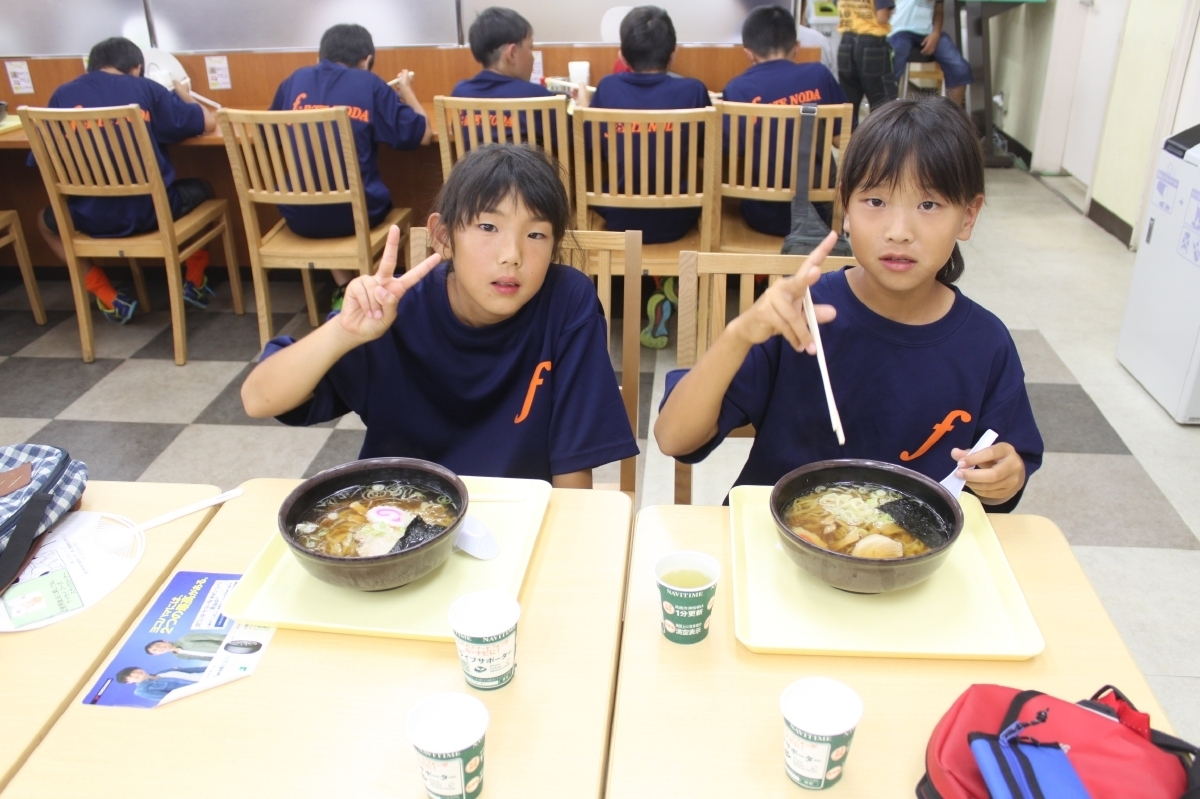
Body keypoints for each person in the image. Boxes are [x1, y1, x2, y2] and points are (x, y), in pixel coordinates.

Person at [655, 97, 1043, 510]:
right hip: (777, 535)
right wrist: (739, 334)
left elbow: (1006, 469)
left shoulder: (986, 344)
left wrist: (1006, 476)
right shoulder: (800, 315)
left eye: (928, 205)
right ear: (844, 208)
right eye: (875, 202)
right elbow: (673, 438)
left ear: (968, 215)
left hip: (912, 546)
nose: (899, 231)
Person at [241, 144, 638, 487]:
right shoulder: (395, 310)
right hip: (398, 514)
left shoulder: (567, 301)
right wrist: (343, 333)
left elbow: (573, 464)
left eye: (536, 234)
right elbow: (258, 399)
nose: (512, 255)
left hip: (518, 516)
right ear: (443, 237)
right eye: (488, 226)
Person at [33, 37, 217, 324]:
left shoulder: (61, 96)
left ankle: (107, 295)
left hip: (90, 217)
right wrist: (185, 94)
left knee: (44, 222)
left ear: (92, 66)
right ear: (136, 68)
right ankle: (194, 281)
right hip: (152, 213)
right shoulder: (146, 88)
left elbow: (41, 159)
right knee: (205, 190)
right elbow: (208, 123)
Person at [576, 6, 710, 348]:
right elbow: (706, 148)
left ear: (622, 56)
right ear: (673, 53)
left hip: (621, 220)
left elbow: (590, 146)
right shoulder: (694, 90)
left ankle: (655, 291)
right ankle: (669, 288)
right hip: (679, 219)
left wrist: (587, 105)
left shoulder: (607, 88)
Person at [270, 24, 431, 304]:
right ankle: (373, 290)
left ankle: (345, 289)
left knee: (324, 194)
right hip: (356, 217)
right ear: (366, 60)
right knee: (358, 202)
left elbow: (267, 136)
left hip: (298, 216)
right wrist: (406, 91)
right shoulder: (369, 84)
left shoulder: (293, 81)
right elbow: (423, 135)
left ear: (319, 57)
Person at [723, 5, 846, 237]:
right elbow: (843, 140)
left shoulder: (737, 89)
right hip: (820, 214)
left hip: (763, 215)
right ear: (796, 47)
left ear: (748, 52)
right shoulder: (819, 75)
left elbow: (732, 151)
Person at [453, 7, 552, 100]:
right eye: (530, 48)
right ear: (512, 54)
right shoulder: (538, 95)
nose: (533, 58)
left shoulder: (460, 92)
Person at [888, 0, 972, 106]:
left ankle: (951, 113)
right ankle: (887, 111)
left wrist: (936, 33)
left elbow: (938, 9)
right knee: (890, 73)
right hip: (899, 30)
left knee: (960, 69)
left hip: (928, 32)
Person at [836, 0, 899, 126]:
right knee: (882, 102)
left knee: (848, 104)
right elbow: (882, 17)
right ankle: (881, 138)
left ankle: (850, 137)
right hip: (872, 44)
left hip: (846, 44)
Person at [115, 666, 205, 703]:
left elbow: (193, 670)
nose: (136, 674)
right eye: (130, 676)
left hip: (208, 677)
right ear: (129, 682)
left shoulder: (162, 672)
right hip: (202, 691)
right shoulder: (142, 690)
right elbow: (171, 699)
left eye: (134, 671)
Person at [144, 632, 227, 661]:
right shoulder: (179, 656)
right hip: (225, 657)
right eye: (155, 650)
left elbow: (214, 637)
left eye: (157, 645)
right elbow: (202, 658)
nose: (159, 648)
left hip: (228, 646)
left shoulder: (185, 639)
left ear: (164, 641)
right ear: (157, 654)